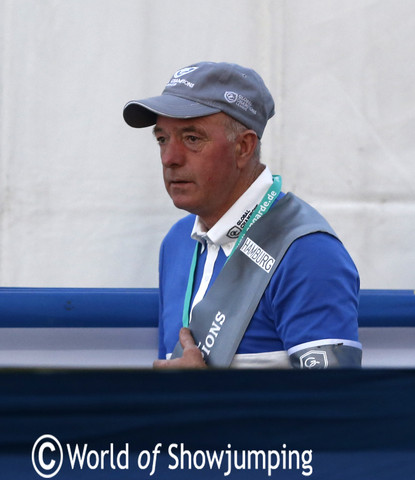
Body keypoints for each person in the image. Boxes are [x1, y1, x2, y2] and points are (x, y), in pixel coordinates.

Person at [123, 61, 362, 369]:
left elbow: (334, 406)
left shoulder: (308, 251)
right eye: (162, 139)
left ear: (244, 147)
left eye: (192, 138)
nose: (170, 158)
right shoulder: (178, 241)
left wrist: (205, 397)